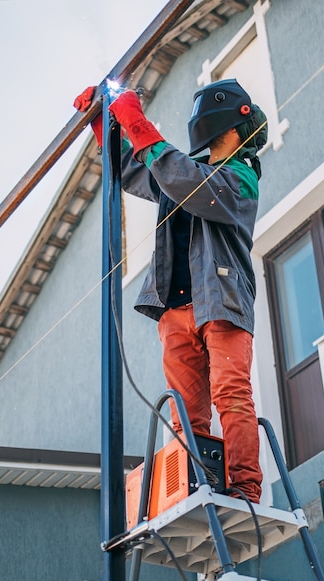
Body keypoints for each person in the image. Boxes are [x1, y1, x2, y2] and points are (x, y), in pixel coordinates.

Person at [74, 79, 267, 503]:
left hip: (221, 302)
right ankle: (194, 488)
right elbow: (134, 169)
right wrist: (103, 124)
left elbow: (187, 181)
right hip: (175, 310)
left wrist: (137, 122)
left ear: (237, 126)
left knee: (231, 395)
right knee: (186, 414)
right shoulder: (184, 172)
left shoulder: (241, 177)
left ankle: (245, 488)